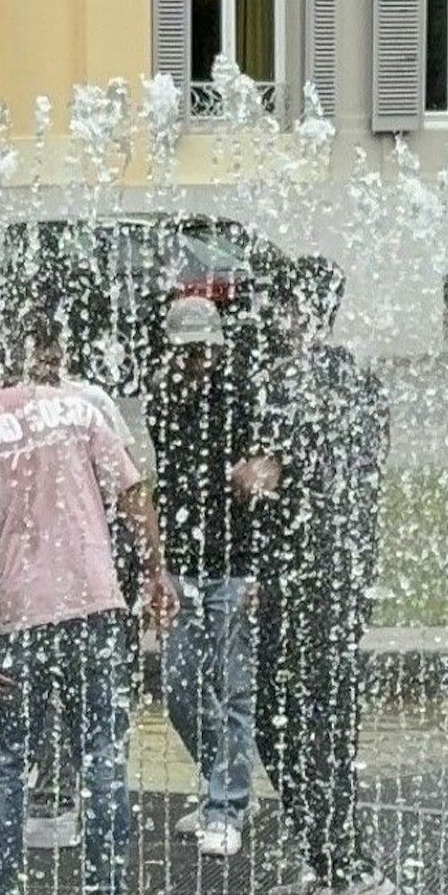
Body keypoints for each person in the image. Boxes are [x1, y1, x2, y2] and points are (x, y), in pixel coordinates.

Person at [0, 364, 177, 895]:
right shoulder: (76, 410)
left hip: (15, 620)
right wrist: (155, 572)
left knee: (5, 762)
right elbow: (133, 492)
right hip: (94, 605)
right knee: (103, 756)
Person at [251, 256, 398, 895]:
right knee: (306, 716)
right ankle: (327, 858)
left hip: (313, 573)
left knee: (299, 719)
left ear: (301, 310)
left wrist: (247, 472)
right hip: (333, 571)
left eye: (282, 305)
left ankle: (348, 868)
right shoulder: (355, 377)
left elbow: (273, 474)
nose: (274, 317)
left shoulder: (297, 379)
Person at [14, 309, 151, 853]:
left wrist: (144, 563)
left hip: (96, 562)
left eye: (54, 353)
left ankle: (96, 804)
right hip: (35, 569)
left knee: (94, 687)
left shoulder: (90, 401)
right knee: (45, 685)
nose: (48, 363)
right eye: (38, 353)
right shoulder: (9, 406)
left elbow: (127, 478)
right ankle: (55, 794)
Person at [147, 295, 278, 859]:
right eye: (187, 352)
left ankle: (226, 805)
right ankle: (229, 784)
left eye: (204, 351)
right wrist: (157, 569)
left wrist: (260, 569)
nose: (196, 362)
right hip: (183, 566)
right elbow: (169, 485)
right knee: (180, 688)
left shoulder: (243, 396)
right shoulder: (161, 401)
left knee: (234, 691)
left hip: (234, 564)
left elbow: (267, 481)